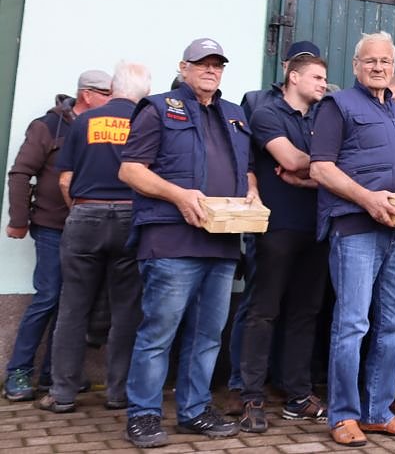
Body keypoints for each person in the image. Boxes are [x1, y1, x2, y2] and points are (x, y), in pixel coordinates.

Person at [118, 39, 255, 447]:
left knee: (208, 335)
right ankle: (143, 415)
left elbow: (247, 169)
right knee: (158, 333)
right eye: (202, 63)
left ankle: (195, 410)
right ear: (183, 67)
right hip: (171, 240)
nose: (211, 70)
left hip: (222, 243)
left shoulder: (235, 115)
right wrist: (178, 195)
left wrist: (252, 192)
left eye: (217, 64)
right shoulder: (158, 108)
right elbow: (131, 170)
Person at [309, 31, 395, 446]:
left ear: (393, 66)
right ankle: (343, 415)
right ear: (356, 65)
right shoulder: (338, 105)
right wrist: (367, 199)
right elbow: (321, 168)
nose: (378, 67)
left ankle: (378, 412)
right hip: (356, 228)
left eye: (385, 61)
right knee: (352, 324)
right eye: (370, 60)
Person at [39, 63, 150, 414]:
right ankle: (118, 393)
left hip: (86, 213)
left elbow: (64, 179)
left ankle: (62, 393)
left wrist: (80, 210)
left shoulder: (85, 121)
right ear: (145, 92)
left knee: (73, 307)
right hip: (131, 217)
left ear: (113, 88)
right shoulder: (147, 121)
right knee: (126, 310)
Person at [237, 54, 332, 432]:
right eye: (317, 77)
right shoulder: (267, 114)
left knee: (305, 313)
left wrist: (311, 175)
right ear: (293, 77)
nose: (323, 84)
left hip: (316, 229)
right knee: (264, 312)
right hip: (277, 228)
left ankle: (298, 395)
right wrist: (323, 168)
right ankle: (251, 398)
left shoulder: (323, 118)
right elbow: (290, 159)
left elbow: (331, 165)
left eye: (324, 78)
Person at [4, 69, 110, 402]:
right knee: (49, 296)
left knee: (74, 302)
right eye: (107, 94)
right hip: (53, 226)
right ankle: (19, 371)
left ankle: (56, 373)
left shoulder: (104, 128)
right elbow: (21, 173)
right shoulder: (48, 126)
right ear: (87, 95)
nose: (113, 101)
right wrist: (18, 219)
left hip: (89, 229)